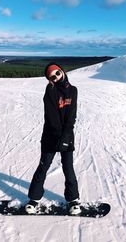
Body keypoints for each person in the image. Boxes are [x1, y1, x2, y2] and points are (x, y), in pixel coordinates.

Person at [26, 63, 81, 215]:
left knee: (68, 168)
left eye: (57, 73)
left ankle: (73, 200)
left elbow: (71, 117)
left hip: (67, 136)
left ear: (61, 71)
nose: (56, 77)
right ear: (49, 80)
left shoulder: (73, 90)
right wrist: (58, 137)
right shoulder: (50, 90)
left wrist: (65, 137)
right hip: (50, 136)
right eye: (52, 76)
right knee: (43, 167)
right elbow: (52, 117)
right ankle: (34, 199)